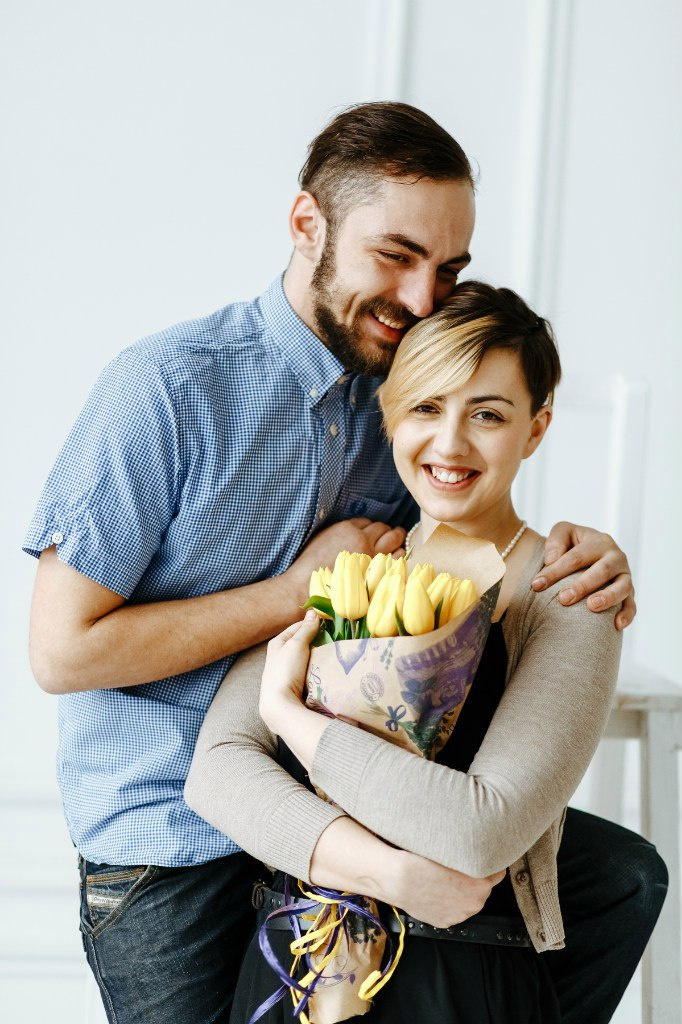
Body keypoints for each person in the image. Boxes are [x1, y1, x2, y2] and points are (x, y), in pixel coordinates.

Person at [23, 102, 656, 1023]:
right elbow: (61, 654)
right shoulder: (165, 390)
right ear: (306, 225)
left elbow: (475, 504)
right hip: (173, 840)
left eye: (448, 269)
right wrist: (295, 596)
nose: (420, 296)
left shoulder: (397, 389)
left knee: (621, 879)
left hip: (341, 795)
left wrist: (594, 554)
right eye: (395, 256)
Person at [186, 282, 665, 1024]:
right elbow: (216, 774)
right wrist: (392, 873)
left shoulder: (569, 596)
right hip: (301, 970)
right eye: (426, 407)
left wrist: (291, 717)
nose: (449, 444)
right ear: (389, 413)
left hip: (467, 984)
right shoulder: (346, 565)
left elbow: (483, 828)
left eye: (488, 415)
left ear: (535, 429)